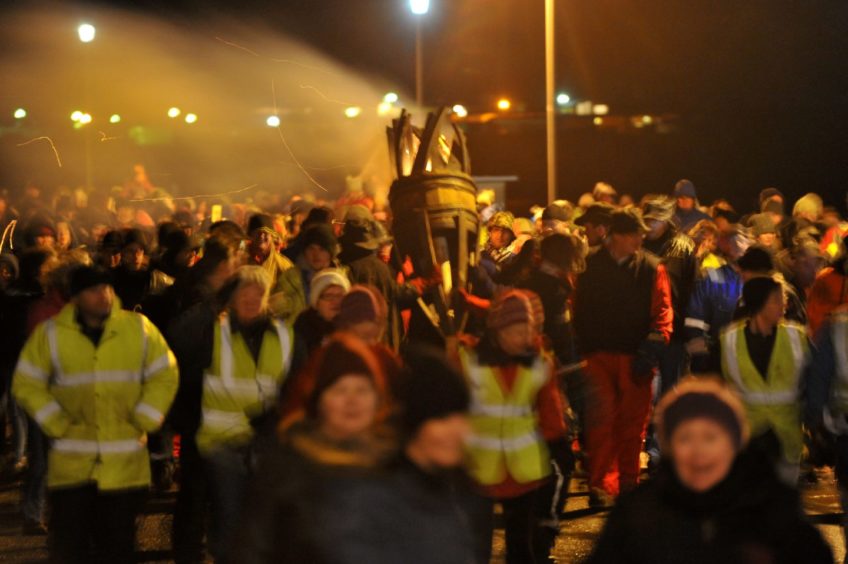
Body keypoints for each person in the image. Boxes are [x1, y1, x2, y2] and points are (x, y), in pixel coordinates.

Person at [12, 265, 178, 563]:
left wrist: (147, 415)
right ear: (75, 297)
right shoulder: (51, 335)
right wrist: (54, 420)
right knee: (71, 550)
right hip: (72, 470)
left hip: (124, 469)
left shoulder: (137, 328)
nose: (104, 295)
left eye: (107, 288)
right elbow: (26, 382)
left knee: (117, 550)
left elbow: (165, 372)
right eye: (94, 289)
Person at [587, 377, 832, 564]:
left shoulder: (771, 508)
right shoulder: (638, 513)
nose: (698, 451)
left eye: (710, 437)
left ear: (734, 444)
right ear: (670, 447)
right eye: (685, 438)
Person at [231, 334, 395, 563]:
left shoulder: (394, 464)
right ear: (319, 401)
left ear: (378, 399)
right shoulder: (287, 468)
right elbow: (253, 547)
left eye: (362, 389)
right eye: (339, 390)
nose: (352, 400)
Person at [194, 265, 301, 560]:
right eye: (244, 291)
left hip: (266, 444)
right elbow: (180, 339)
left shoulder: (285, 336)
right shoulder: (213, 333)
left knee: (263, 525)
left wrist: (276, 419)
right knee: (229, 522)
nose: (252, 298)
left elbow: (297, 387)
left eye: (259, 292)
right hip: (222, 445)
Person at [461, 289, 572, 564]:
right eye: (517, 331)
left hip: (524, 471)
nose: (525, 338)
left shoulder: (538, 364)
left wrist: (557, 444)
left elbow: (549, 409)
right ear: (498, 331)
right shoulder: (469, 361)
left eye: (528, 330)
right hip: (478, 469)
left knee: (521, 548)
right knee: (475, 548)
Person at [573, 208, 673, 504]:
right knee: (600, 422)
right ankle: (601, 485)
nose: (640, 239)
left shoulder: (652, 268)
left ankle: (627, 482)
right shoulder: (588, 266)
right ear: (616, 236)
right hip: (598, 356)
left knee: (632, 425)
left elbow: (663, 314)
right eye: (634, 234)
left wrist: (651, 350)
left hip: (634, 356)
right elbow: (575, 307)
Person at [720, 276, 809, 483]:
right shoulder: (729, 340)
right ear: (760, 303)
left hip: (786, 435)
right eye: (777, 300)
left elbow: (811, 379)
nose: (783, 305)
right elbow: (718, 386)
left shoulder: (796, 337)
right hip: (748, 435)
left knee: (783, 501)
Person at [293, 267, 350, 354]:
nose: (335, 301)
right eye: (328, 296)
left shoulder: (352, 326)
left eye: (340, 296)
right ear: (316, 302)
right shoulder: (304, 327)